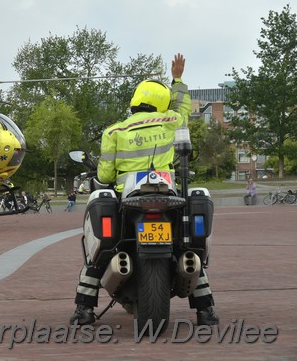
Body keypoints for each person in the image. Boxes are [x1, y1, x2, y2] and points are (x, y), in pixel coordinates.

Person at [70, 53, 219, 327]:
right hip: (167, 194)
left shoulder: (114, 131)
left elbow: (104, 173)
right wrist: (177, 79)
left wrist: (104, 178)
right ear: (161, 103)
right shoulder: (172, 121)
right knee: (187, 247)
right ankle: (205, 311)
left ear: (135, 101)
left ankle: (84, 309)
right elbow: (183, 107)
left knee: (102, 251)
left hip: (129, 199)